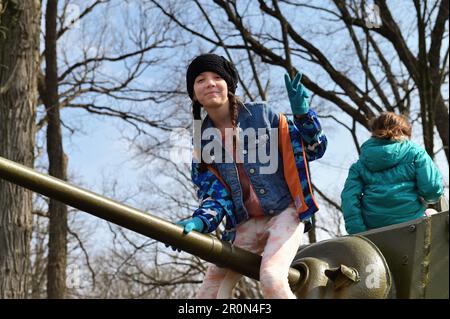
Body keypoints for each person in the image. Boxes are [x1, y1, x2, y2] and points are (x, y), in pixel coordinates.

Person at [174, 53, 327, 299]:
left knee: (271, 276)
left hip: (284, 213)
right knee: (209, 292)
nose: (210, 83)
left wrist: (303, 116)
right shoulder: (201, 141)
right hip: (244, 223)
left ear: (229, 85)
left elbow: (314, 149)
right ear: (193, 93)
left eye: (217, 77)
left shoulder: (262, 116)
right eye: (200, 80)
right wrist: (201, 221)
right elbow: (215, 194)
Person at [341, 112, 443, 235]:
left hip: (373, 228)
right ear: (403, 131)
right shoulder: (416, 153)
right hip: (413, 223)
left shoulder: (359, 165)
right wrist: (426, 198)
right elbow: (432, 189)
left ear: (374, 132)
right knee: (434, 215)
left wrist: (359, 232)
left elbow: (349, 199)